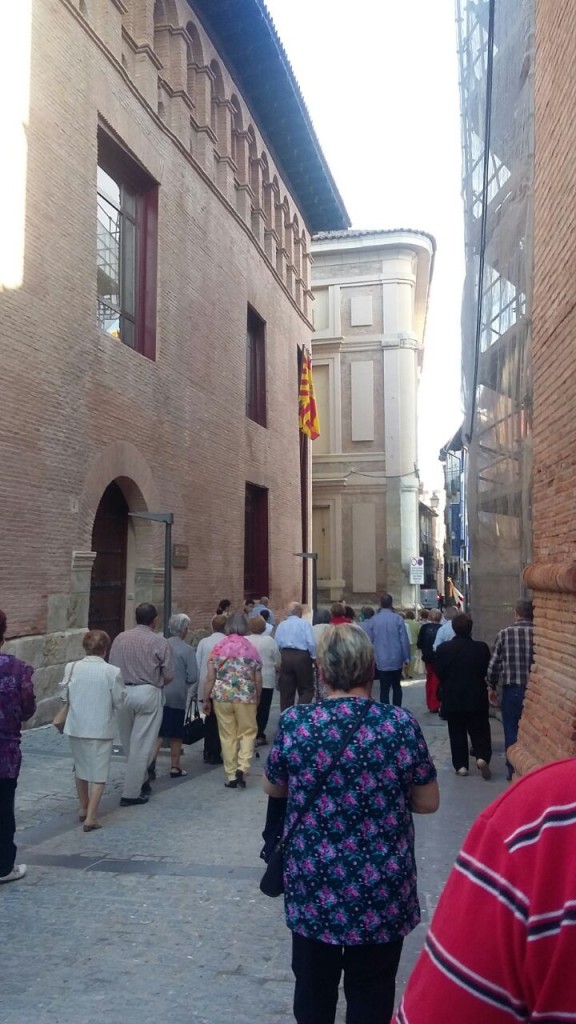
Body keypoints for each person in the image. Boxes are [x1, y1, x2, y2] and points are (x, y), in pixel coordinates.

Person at [264, 624, 439, 1024]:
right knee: (373, 990)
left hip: (313, 882)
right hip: (380, 886)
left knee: (312, 990)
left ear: (322, 673)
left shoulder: (297, 723)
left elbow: (274, 788)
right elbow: (428, 802)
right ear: (372, 670)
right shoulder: (398, 725)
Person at [394, 757, 576, 1024]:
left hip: (314, 902)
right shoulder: (399, 728)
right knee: (372, 980)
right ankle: (479, 754)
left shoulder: (542, 816)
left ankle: (460, 764)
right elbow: (428, 801)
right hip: (383, 895)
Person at [109, 603, 174, 806]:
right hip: (148, 691)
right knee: (142, 743)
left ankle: (142, 781)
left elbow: (111, 666)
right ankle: (131, 793)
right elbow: (169, 674)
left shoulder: (120, 638)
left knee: (128, 742)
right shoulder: (159, 641)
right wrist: (157, 685)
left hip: (123, 692)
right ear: (154, 620)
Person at [61, 629, 126, 830]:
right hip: (101, 726)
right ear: (105, 649)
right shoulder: (112, 672)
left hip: (77, 725)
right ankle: (91, 816)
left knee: (79, 767)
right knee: (99, 772)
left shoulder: (71, 667)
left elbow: (64, 695)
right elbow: (119, 701)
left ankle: (83, 806)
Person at [203, 613, 262, 788]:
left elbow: (210, 677)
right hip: (245, 695)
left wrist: (206, 699)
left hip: (222, 695)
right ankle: (243, 766)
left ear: (228, 627)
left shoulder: (218, 648)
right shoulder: (251, 648)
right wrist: (258, 696)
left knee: (227, 735)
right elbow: (257, 678)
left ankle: (231, 775)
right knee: (248, 732)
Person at [0, 610, 36, 884]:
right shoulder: (17, 668)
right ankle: (3, 867)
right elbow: (27, 708)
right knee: (3, 808)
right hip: (5, 753)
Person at [434, 614, 492, 779]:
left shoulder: (444, 649)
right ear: (470, 628)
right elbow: (484, 670)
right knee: (480, 729)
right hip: (476, 694)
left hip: (453, 696)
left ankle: (461, 765)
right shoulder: (481, 648)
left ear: (453, 628)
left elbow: (439, 672)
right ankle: (482, 757)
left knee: (456, 731)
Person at [487, 598, 534, 781]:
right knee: (533, 731)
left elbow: (494, 665)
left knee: (511, 730)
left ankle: (512, 769)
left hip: (512, 690)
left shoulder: (505, 634)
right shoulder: (540, 634)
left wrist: (491, 686)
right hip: (535, 691)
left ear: (516, 613)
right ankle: (530, 768)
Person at [149, 613, 198, 778]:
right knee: (176, 733)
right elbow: (192, 676)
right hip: (177, 694)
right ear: (184, 630)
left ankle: (150, 762)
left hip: (159, 691)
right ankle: (175, 766)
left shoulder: (159, 645)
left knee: (158, 732)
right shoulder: (187, 650)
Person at [363, 593, 410, 705]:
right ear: (391, 603)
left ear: (380, 603)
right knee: (396, 686)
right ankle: (397, 709)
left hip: (381, 658)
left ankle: (385, 710)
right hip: (396, 657)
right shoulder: (398, 619)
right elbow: (404, 639)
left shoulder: (374, 620)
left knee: (384, 688)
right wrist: (406, 657)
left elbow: (369, 640)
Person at [196, 614, 227, 765]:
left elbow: (198, 662)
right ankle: (215, 751)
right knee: (219, 720)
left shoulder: (204, 642)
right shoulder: (226, 642)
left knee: (209, 719)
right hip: (220, 685)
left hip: (205, 682)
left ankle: (207, 749)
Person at [274, 602, 317, 711]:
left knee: (286, 690)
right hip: (302, 656)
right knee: (306, 689)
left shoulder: (282, 624)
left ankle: (286, 716)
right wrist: (314, 657)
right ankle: (300, 711)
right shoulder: (304, 624)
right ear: (299, 612)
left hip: (286, 655)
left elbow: (277, 642)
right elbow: (311, 643)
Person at [247, 615, 281, 746]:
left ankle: (249, 732)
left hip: (248, 678)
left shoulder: (245, 640)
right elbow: (277, 659)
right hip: (266, 677)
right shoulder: (269, 641)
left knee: (249, 707)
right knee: (264, 707)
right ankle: (259, 733)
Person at [417, 609, 441, 713]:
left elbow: (419, 644)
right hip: (438, 658)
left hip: (427, 658)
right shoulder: (441, 629)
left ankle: (430, 703)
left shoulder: (424, 628)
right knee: (436, 681)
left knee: (429, 680)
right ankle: (435, 703)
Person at [403, 611, 420, 680]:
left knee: (404, 657)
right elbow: (418, 633)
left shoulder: (403, 622)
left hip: (404, 642)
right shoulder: (416, 624)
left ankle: (405, 672)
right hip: (413, 643)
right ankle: (410, 673)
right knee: (412, 658)